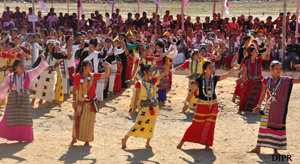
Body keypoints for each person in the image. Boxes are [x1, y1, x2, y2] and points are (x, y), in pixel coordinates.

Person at [177, 60, 239, 149]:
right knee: (196, 124)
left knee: (210, 124)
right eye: (209, 68)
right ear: (205, 69)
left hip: (213, 105)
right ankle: (182, 141)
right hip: (202, 105)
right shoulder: (199, 79)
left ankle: (207, 144)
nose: (212, 69)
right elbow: (192, 92)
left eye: (212, 67)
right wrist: (186, 104)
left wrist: (235, 68)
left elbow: (227, 75)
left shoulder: (214, 78)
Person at [248, 61, 300, 154]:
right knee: (263, 126)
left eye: (280, 68)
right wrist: (259, 105)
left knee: (277, 126)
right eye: (276, 68)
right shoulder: (266, 80)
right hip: (268, 107)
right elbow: (263, 93)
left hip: (279, 108)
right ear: (271, 69)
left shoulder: (285, 79)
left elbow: (298, 80)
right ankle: (258, 148)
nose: (279, 70)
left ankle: (275, 149)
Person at [121, 62, 172, 148]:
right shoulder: (139, 83)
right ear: (145, 72)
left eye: (152, 71)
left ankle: (147, 142)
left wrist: (167, 67)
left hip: (154, 107)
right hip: (144, 107)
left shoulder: (154, 80)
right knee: (138, 123)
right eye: (150, 71)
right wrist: (134, 109)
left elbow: (163, 74)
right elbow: (136, 97)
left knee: (151, 124)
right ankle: (125, 139)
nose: (152, 73)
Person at [0, 55, 48, 142]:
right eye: (20, 66)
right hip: (13, 98)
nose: (23, 67)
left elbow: (38, 69)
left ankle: (23, 137)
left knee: (24, 117)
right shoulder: (10, 77)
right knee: (10, 117)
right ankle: (13, 135)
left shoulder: (28, 74)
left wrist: (43, 60)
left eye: (23, 66)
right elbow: (3, 87)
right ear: (15, 67)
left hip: (24, 97)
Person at [70, 60, 111, 146]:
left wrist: (108, 67)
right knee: (77, 120)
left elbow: (106, 74)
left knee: (89, 122)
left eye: (92, 66)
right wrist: (73, 101)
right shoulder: (77, 76)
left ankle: (87, 141)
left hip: (90, 103)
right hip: (80, 102)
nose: (91, 67)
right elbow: (74, 90)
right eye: (89, 66)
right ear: (84, 68)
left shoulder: (94, 76)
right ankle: (74, 139)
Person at [237, 38, 275, 114]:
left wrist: (271, 45)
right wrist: (243, 82)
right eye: (254, 50)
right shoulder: (247, 62)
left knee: (257, 96)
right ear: (251, 53)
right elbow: (244, 73)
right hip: (250, 81)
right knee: (245, 95)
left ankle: (254, 110)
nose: (256, 51)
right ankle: (240, 110)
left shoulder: (259, 59)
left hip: (259, 81)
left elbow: (267, 51)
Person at [31, 40, 67, 106]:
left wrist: (60, 49)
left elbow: (65, 56)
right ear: (47, 45)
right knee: (38, 85)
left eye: (51, 44)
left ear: (54, 46)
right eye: (49, 44)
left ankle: (50, 102)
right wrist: (33, 68)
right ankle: (33, 101)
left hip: (51, 72)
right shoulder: (43, 53)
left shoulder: (55, 54)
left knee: (51, 87)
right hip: (43, 72)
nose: (50, 46)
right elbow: (37, 61)